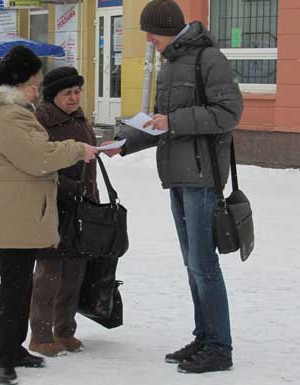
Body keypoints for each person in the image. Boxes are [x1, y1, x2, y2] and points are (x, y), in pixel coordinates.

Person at [102, 0, 243, 374]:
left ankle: (219, 347)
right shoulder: (170, 67)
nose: (148, 39)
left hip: (202, 178)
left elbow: (229, 113)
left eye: (151, 32)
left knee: (204, 265)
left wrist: (175, 120)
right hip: (177, 177)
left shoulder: (208, 59)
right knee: (192, 264)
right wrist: (126, 143)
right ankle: (204, 335)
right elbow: (160, 125)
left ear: (167, 28)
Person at [0, 46, 97, 385]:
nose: (38, 91)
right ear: (16, 84)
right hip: (14, 212)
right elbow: (38, 156)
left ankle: (14, 349)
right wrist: (78, 150)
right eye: (34, 85)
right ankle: (2, 357)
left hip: (6, 209)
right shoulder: (9, 115)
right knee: (14, 285)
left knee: (17, 284)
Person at [29, 66, 99, 357]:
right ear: (52, 95)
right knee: (49, 272)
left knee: (75, 269)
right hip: (53, 204)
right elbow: (38, 162)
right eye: (67, 93)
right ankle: (41, 335)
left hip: (83, 205)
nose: (74, 97)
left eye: (77, 91)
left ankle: (65, 330)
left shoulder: (80, 118)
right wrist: (71, 186)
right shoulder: (41, 120)